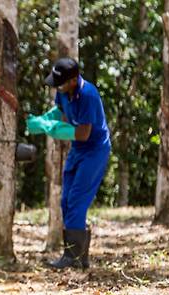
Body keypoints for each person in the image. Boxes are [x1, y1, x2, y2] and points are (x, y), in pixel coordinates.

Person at [26, 57, 111, 269]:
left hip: (94, 150)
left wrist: (52, 129)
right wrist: (44, 119)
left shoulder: (88, 95)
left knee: (77, 201)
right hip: (78, 150)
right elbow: (60, 113)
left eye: (60, 84)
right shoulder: (63, 91)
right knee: (66, 201)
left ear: (73, 80)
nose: (57, 88)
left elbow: (83, 134)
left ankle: (72, 258)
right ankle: (79, 257)